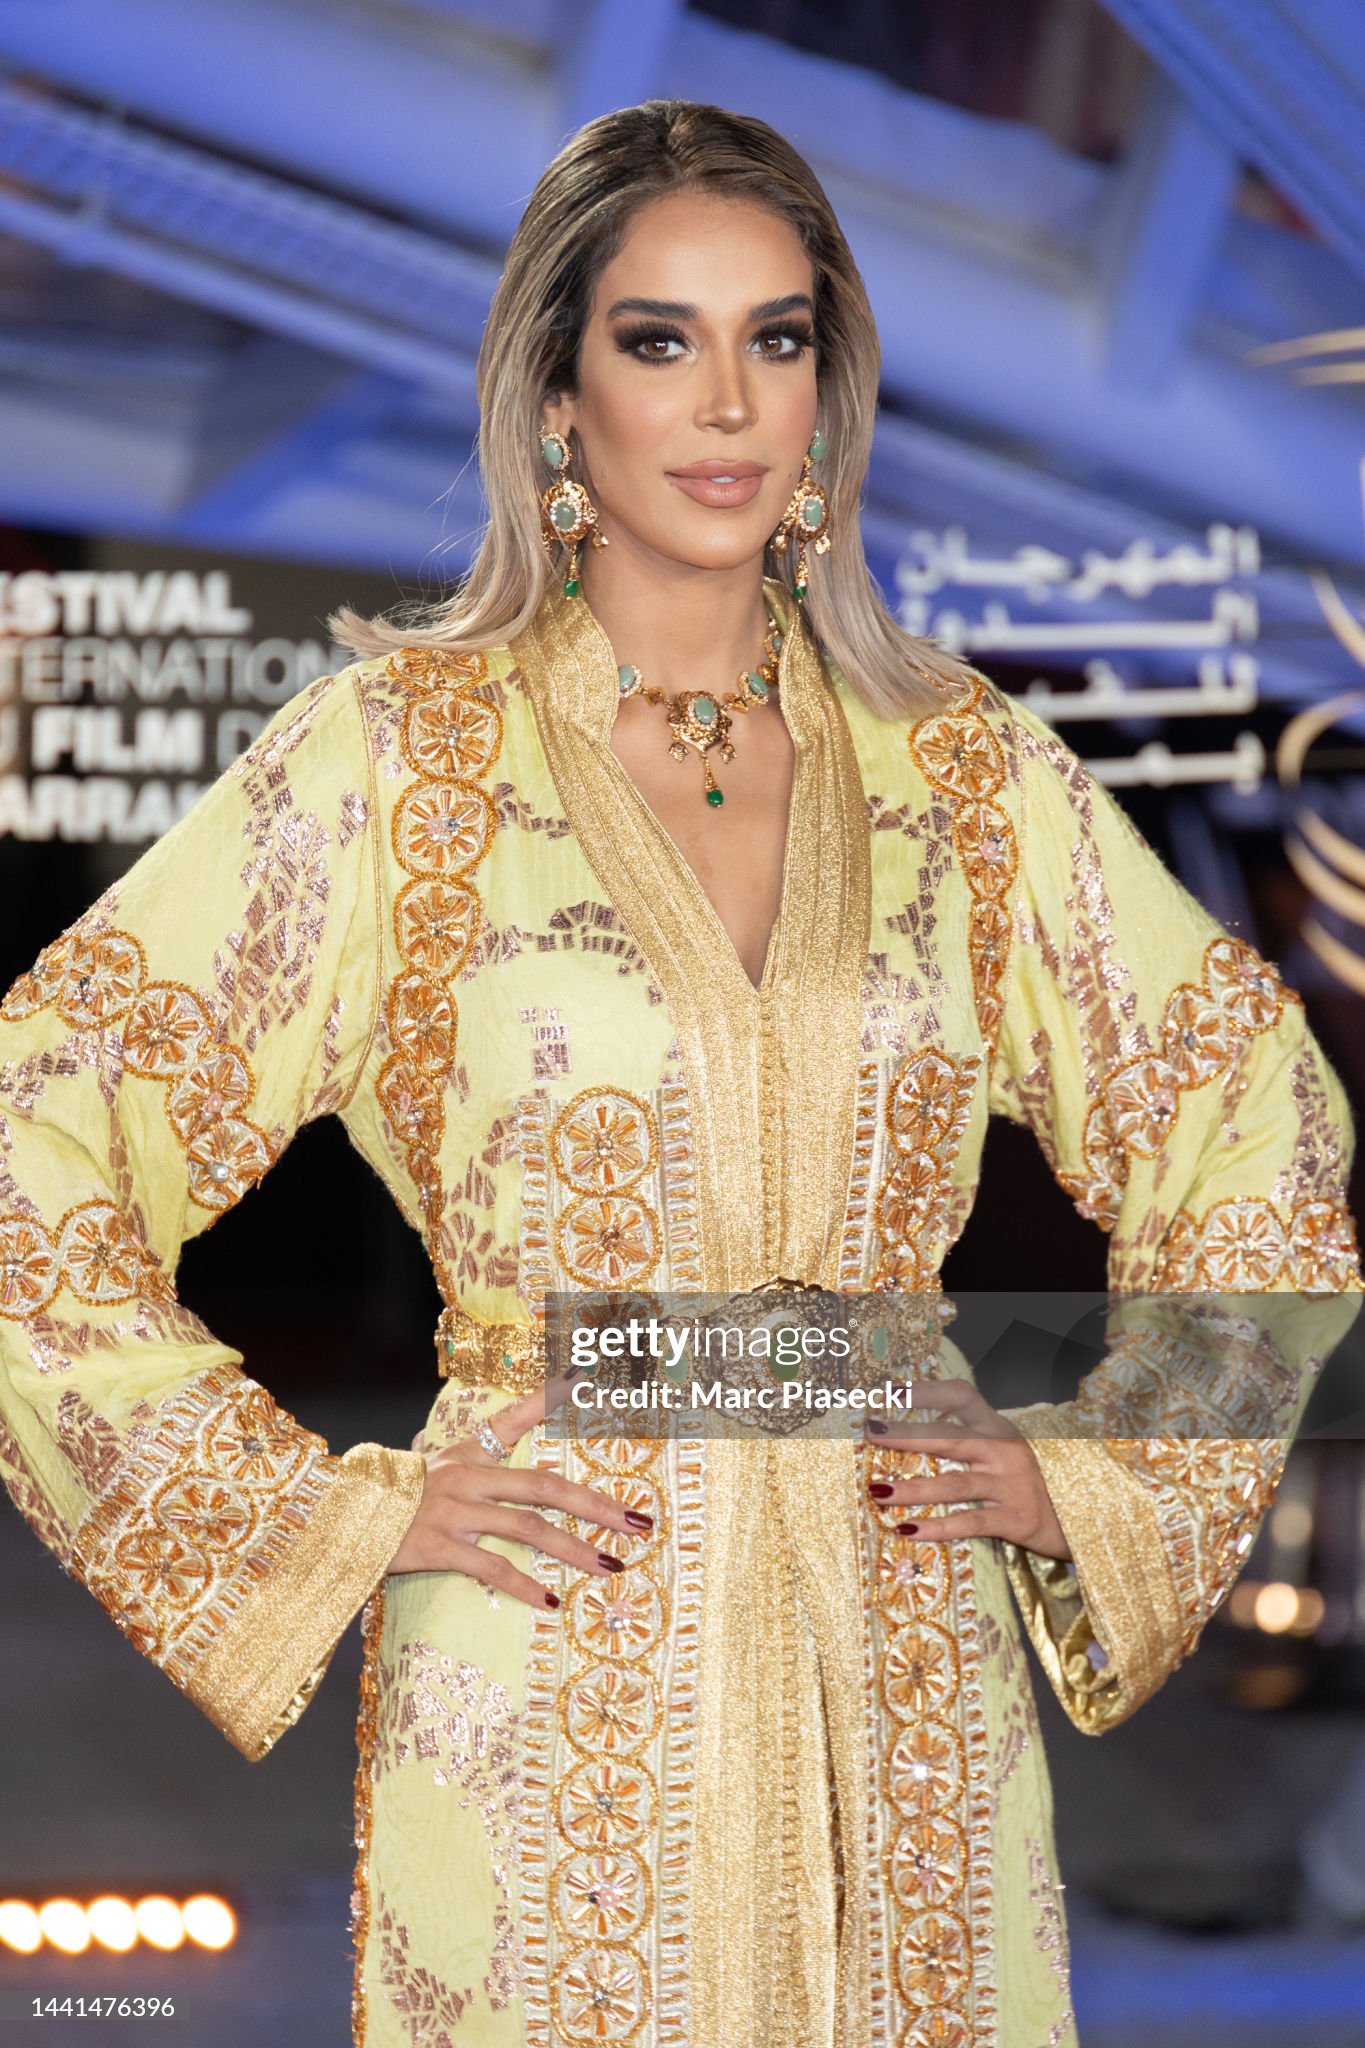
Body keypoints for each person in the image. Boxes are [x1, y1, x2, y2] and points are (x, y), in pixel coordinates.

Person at [0, 97, 1360, 2048]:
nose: (725, 401)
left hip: (906, 1661)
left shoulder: (957, 771)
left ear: (828, 391)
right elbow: (33, 1133)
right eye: (659, 339)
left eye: (774, 338)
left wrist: (1109, 1466)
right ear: (558, 398)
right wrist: (327, 1516)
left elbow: (1251, 1115)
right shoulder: (402, 765)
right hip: (547, 1658)